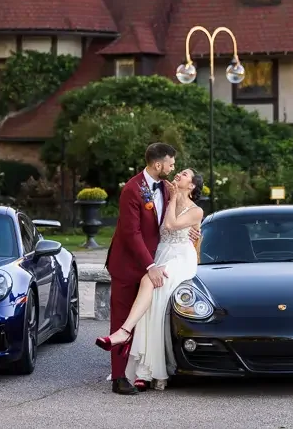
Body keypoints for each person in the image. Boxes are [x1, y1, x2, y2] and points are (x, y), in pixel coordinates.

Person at [101, 143, 200, 395]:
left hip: (159, 258)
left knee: (148, 315)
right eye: (171, 163)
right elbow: (131, 233)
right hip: (128, 263)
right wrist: (151, 265)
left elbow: (171, 220)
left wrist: (191, 231)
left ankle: (144, 371)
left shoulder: (167, 188)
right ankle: (119, 377)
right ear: (159, 164)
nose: (173, 168)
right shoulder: (132, 190)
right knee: (122, 316)